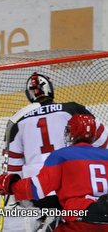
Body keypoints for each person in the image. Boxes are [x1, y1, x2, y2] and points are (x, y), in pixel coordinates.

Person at [6, 72, 107, 209]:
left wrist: (17, 192)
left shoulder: (18, 119)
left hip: (36, 188)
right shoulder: (73, 109)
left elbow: (13, 165)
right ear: (50, 89)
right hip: (74, 186)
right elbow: (103, 140)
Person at [0, 114, 108, 231]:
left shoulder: (61, 155)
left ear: (73, 132)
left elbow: (38, 187)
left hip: (79, 219)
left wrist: (12, 186)